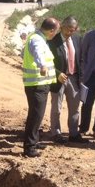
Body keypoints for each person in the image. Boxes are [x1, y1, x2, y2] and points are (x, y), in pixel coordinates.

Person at [47, 16, 88, 144]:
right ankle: (56, 133)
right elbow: (48, 62)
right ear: (62, 26)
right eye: (68, 29)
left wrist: (81, 78)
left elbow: (80, 59)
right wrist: (58, 73)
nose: (70, 32)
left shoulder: (77, 39)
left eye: (73, 30)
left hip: (73, 78)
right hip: (58, 79)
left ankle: (74, 134)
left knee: (75, 108)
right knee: (56, 108)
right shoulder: (53, 41)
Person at [22, 17, 60, 157]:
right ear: (51, 31)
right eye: (56, 31)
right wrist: (42, 65)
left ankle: (35, 141)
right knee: (35, 116)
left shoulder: (36, 37)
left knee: (37, 115)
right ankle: (29, 147)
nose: (55, 34)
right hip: (37, 84)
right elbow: (38, 53)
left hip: (39, 84)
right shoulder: (37, 40)